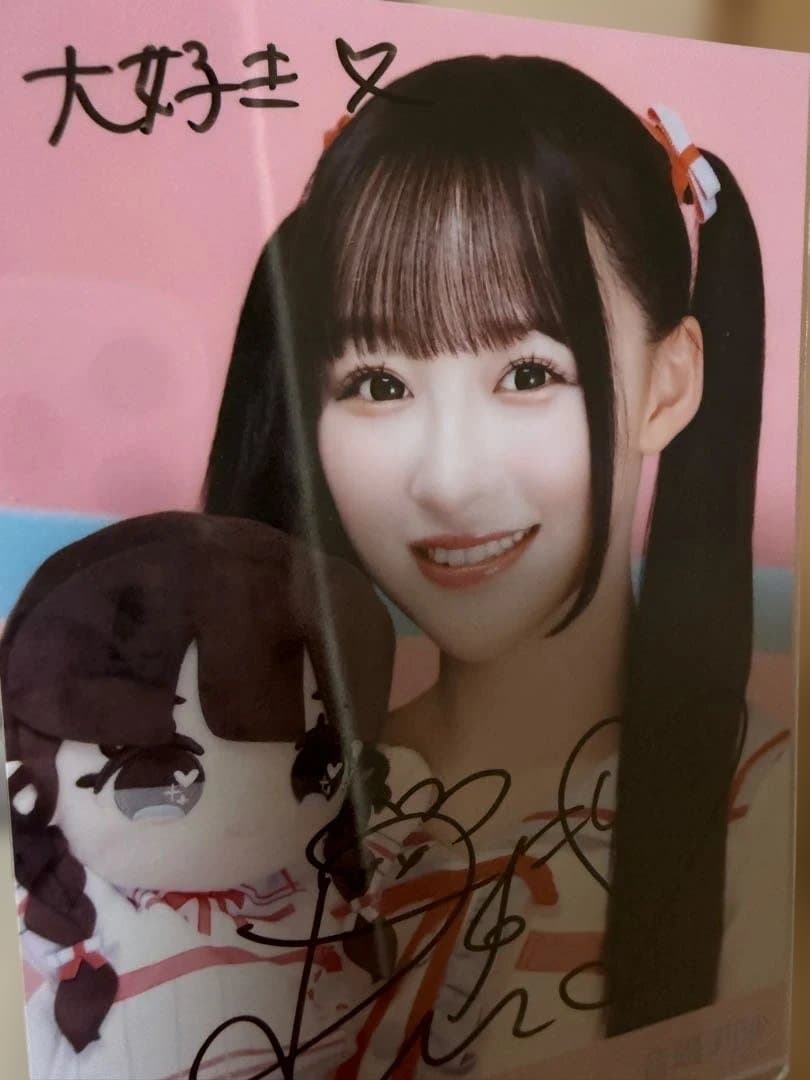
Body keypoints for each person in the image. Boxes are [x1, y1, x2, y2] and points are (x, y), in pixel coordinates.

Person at [203, 55, 792, 1073]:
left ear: (668, 385)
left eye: (527, 372)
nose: (447, 479)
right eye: (378, 383)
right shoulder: (285, 805)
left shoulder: (773, 806)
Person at [1, 511, 398, 1079]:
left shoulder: (323, 896)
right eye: (158, 772)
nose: (236, 810)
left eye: (315, 765)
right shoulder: (67, 914)